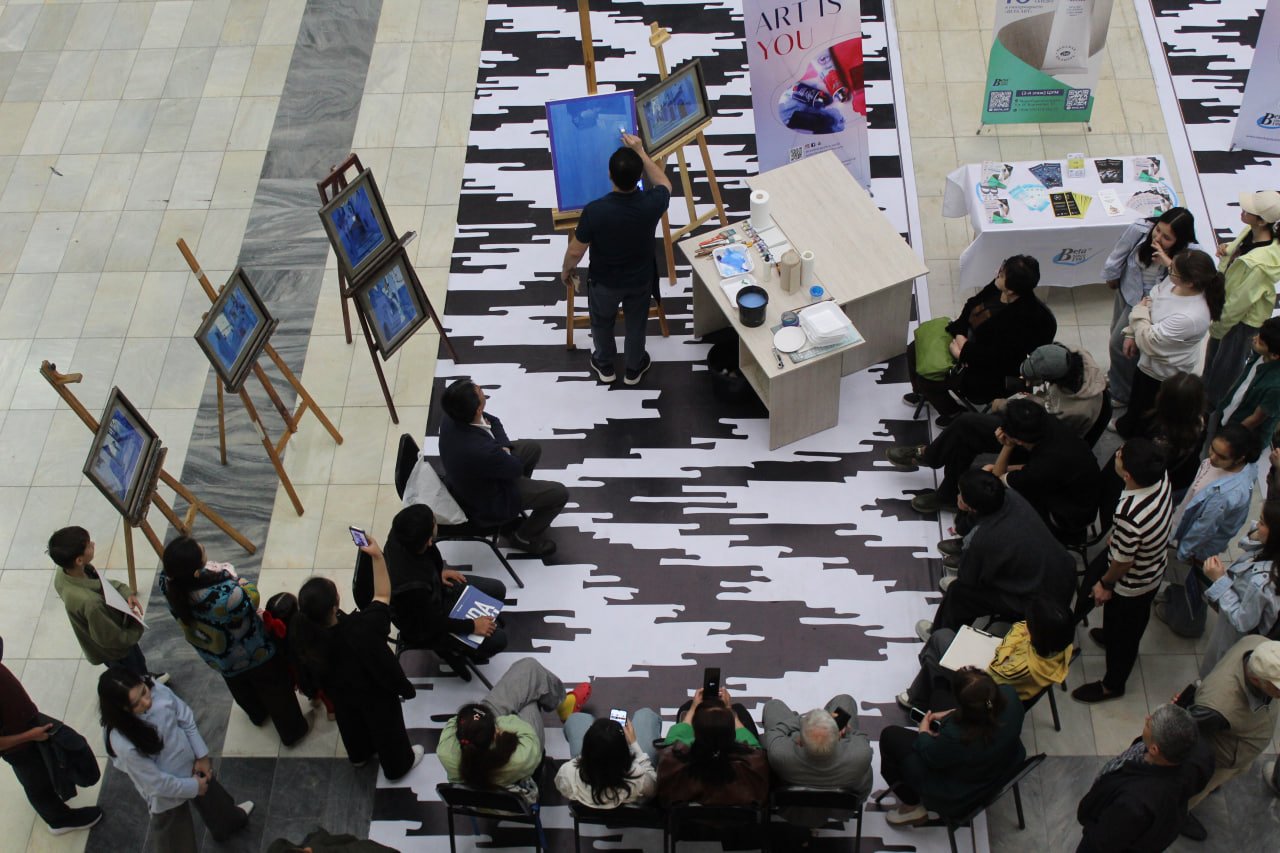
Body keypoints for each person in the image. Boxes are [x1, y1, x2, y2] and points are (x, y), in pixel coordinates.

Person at [291, 536, 424, 781]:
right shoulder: (361, 628)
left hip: (340, 696)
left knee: (350, 723)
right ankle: (398, 766)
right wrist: (376, 556)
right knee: (387, 729)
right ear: (335, 606)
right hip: (374, 694)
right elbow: (383, 596)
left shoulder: (302, 635)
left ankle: (359, 755)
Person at [159, 537, 308, 746]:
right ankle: (292, 731)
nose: (202, 545)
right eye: (199, 548)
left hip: (218, 655)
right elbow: (250, 599)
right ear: (195, 571)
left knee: (239, 684)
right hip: (252, 650)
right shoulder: (225, 596)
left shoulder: (167, 583)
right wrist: (243, 583)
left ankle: (257, 714)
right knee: (275, 687)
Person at [560, 132, 672, 386]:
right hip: (640, 281)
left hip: (604, 283)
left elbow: (576, 251)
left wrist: (566, 270)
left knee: (601, 323)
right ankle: (634, 368)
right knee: (636, 325)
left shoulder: (595, 210)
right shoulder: (651, 203)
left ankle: (605, 365)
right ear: (640, 177)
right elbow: (665, 184)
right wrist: (641, 152)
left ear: (609, 175)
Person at [99, 668, 252, 850]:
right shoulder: (121, 741)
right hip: (167, 794)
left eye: (144, 692)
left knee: (217, 804)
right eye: (136, 704)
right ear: (121, 709)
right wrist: (193, 787)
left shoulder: (155, 687)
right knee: (176, 839)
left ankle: (229, 824)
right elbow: (155, 783)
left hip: (193, 766)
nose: (147, 702)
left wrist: (201, 756)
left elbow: (185, 717)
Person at [916, 470, 1075, 640]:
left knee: (959, 593)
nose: (958, 495)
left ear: (971, 507)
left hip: (1037, 601)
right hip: (1061, 572)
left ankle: (941, 636)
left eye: (961, 494)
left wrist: (962, 510)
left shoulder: (983, 539)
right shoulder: (1010, 496)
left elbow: (968, 579)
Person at [1073, 439, 1174, 703]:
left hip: (1134, 582)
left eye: (1120, 455)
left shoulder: (1129, 513)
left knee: (1125, 634)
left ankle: (1112, 684)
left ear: (1127, 474)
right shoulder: (1159, 475)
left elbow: (1123, 563)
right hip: (1152, 563)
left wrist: (1106, 584)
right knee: (1124, 624)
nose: (1117, 454)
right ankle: (1110, 636)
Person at [906, 255, 1056, 426]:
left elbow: (999, 357)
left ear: (1012, 289)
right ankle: (921, 393)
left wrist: (964, 353)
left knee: (927, 380)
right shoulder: (998, 288)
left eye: (1001, 274)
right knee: (914, 349)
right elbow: (971, 304)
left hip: (987, 373)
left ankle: (953, 413)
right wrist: (960, 336)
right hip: (966, 343)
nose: (996, 273)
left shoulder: (1025, 320)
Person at [906, 398, 1098, 529]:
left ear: (1018, 440)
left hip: (1063, 511)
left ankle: (969, 539)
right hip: (1051, 472)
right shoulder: (1044, 421)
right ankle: (935, 466)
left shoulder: (1044, 466)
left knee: (984, 490)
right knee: (968, 427)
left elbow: (996, 479)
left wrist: (1007, 447)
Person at [438, 378, 569, 557]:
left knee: (531, 448)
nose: (481, 389)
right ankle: (522, 536)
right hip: (487, 501)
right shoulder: (480, 450)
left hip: (474, 477)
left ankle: (522, 495)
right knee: (559, 493)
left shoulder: (451, 417)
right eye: (479, 390)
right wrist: (504, 451)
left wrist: (504, 449)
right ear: (477, 409)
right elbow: (514, 467)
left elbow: (494, 422)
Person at [878, 668, 1025, 826]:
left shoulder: (956, 737)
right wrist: (952, 714)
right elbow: (987, 707)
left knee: (890, 737)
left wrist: (924, 732)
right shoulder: (1009, 695)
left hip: (964, 787)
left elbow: (930, 755)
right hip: (1004, 761)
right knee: (940, 689)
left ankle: (911, 805)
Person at [438, 657, 590, 803]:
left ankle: (561, 704)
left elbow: (454, 722)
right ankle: (563, 706)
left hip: (477, 795)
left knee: (528, 668)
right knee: (529, 697)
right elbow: (523, 730)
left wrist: (481, 721)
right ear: (495, 732)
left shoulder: (445, 752)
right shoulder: (520, 759)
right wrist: (496, 721)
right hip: (514, 789)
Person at [1158, 424, 1261, 637]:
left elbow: (1202, 530)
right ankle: (1173, 599)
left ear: (1239, 458)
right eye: (1212, 449)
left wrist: (1185, 553)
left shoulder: (1226, 495)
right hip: (1186, 529)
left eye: (1221, 456)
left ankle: (1186, 624)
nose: (1212, 457)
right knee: (1183, 580)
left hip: (1195, 546)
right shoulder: (1234, 467)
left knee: (1189, 582)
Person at [1177, 636, 1280, 841]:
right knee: (1194, 791)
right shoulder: (1218, 706)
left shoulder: (1258, 645)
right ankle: (1178, 816)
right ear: (1256, 679)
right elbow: (1187, 729)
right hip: (1220, 757)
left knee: (1229, 774)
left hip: (1241, 748)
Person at [1074, 704, 1213, 853]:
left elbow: (1103, 842)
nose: (1147, 718)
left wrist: (1089, 827)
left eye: (1149, 724)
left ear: (1154, 749)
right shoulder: (1200, 752)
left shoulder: (1135, 802)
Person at [1115, 248, 1225, 437]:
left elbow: (1149, 340)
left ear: (1190, 282)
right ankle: (1129, 424)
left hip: (1163, 372)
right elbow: (1151, 299)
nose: (1168, 270)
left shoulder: (1191, 315)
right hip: (1148, 363)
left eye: (1173, 270)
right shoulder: (1175, 283)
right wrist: (1132, 333)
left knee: (1151, 409)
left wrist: (1137, 317)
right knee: (1138, 397)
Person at [0, 636, 103, 835]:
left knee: (41, 769)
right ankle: (58, 820)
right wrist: (30, 736)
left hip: (24, 724)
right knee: (35, 782)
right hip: (19, 744)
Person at [382, 504, 508, 661]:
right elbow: (431, 623)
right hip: (428, 625)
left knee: (497, 589)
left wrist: (437, 573)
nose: (435, 518)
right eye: (433, 521)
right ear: (428, 541)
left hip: (435, 590)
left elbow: (422, 562)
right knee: (498, 640)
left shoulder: (400, 534)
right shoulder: (412, 587)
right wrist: (472, 626)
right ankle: (459, 650)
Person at [903, 596, 1075, 711]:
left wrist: (1007, 648)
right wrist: (1012, 646)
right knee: (937, 650)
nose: (1026, 625)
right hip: (1002, 674)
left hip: (989, 690)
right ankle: (916, 697)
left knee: (938, 643)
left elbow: (994, 668)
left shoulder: (1024, 667)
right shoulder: (1061, 643)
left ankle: (917, 697)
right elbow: (1018, 627)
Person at [1102, 207, 1197, 406]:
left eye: (1167, 237)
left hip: (1152, 304)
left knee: (1121, 345)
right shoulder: (1140, 229)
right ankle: (1118, 378)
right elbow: (1118, 253)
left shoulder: (1191, 254)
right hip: (1128, 291)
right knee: (1117, 336)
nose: (1158, 237)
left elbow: (1192, 282)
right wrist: (1112, 277)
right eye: (1158, 230)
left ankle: (1123, 393)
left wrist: (1169, 263)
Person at [48, 526, 167, 682]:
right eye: (88, 545)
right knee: (133, 671)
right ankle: (145, 686)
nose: (93, 544)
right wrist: (136, 627)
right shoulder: (91, 603)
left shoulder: (64, 573)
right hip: (117, 651)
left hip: (106, 639)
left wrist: (124, 591)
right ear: (78, 560)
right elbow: (112, 639)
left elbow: (100, 584)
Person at [1202, 190, 1280, 408]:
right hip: (1228, 309)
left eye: (1250, 210)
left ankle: (1209, 410)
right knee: (1213, 360)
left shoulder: (1259, 265)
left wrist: (1218, 326)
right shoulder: (1252, 230)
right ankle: (1203, 393)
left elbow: (1239, 303)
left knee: (1224, 369)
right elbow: (1240, 250)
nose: (1243, 210)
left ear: (1263, 221)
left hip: (1240, 322)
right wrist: (1229, 250)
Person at [1198, 500, 1280, 677]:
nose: (1257, 525)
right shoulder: (1271, 551)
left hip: (1236, 638)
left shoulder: (1262, 582)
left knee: (1216, 670)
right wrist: (1257, 535)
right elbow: (1247, 546)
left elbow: (1242, 622)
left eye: (1262, 523)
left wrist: (1218, 580)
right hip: (1239, 626)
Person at [655, 688, 770, 806]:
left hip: (688, 824)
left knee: (686, 707)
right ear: (733, 734)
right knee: (739, 709)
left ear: (694, 733)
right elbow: (754, 747)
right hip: (741, 823)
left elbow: (671, 745)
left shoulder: (674, 763)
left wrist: (693, 709)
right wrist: (730, 711)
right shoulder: (753, 764)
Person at [760, 694, 873, 798]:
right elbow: (858, 735)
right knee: (845, 700)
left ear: (800, 741)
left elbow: (776, 731)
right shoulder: (861, 754)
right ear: (839, 738)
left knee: (774, 705)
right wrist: (836, 723)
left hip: (792, 808)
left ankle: (800, 723)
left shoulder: (779, 753)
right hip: (841, 810)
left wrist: (803, 722)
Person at [990, 342, 1107, 439]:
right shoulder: (1072, 352)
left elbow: (1037, 420)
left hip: (1059, 435)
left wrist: (1002, 406)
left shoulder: (1068, 409)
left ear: (1054, 380)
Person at [555, 708, 660, 808]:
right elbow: (654, 787)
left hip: (586, 789)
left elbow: (563, 787)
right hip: (628, 798)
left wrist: (596, 749)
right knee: (646, 714)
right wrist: (634, 744)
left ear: (586, 748)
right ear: (624, 753)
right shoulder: (639, 778)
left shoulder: (567, 772)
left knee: (576, 718)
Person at [1218, 315, 1280, 456]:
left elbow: (1256, 419)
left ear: (1275, 355)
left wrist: (1230, 437)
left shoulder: (1276, 387)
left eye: (1261, 342)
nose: (1254, 339)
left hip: (1243, 436)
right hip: (1230, 413)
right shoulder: (1260, 355)